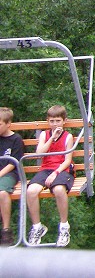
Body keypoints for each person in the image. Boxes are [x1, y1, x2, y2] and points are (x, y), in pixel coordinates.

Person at [26, 105, 74, 247]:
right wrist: (52, 137)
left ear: (64, 121)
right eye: (52, 121)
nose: (55, 124)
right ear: (48, 121)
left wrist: (55, 174)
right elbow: (40, 153)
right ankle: (37, 227)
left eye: (58, 121)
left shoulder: (68, 137)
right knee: (31, 191)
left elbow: (67, 160)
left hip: (61, 170)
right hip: (45, 169)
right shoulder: (44, 135)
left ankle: (64, 226)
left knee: (59, 190)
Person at [0, 107, 24, 246]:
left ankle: (6, 230)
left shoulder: (16, 139)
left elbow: (13, 163)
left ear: (8, 123)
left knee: (2, 193)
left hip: (9, 173)